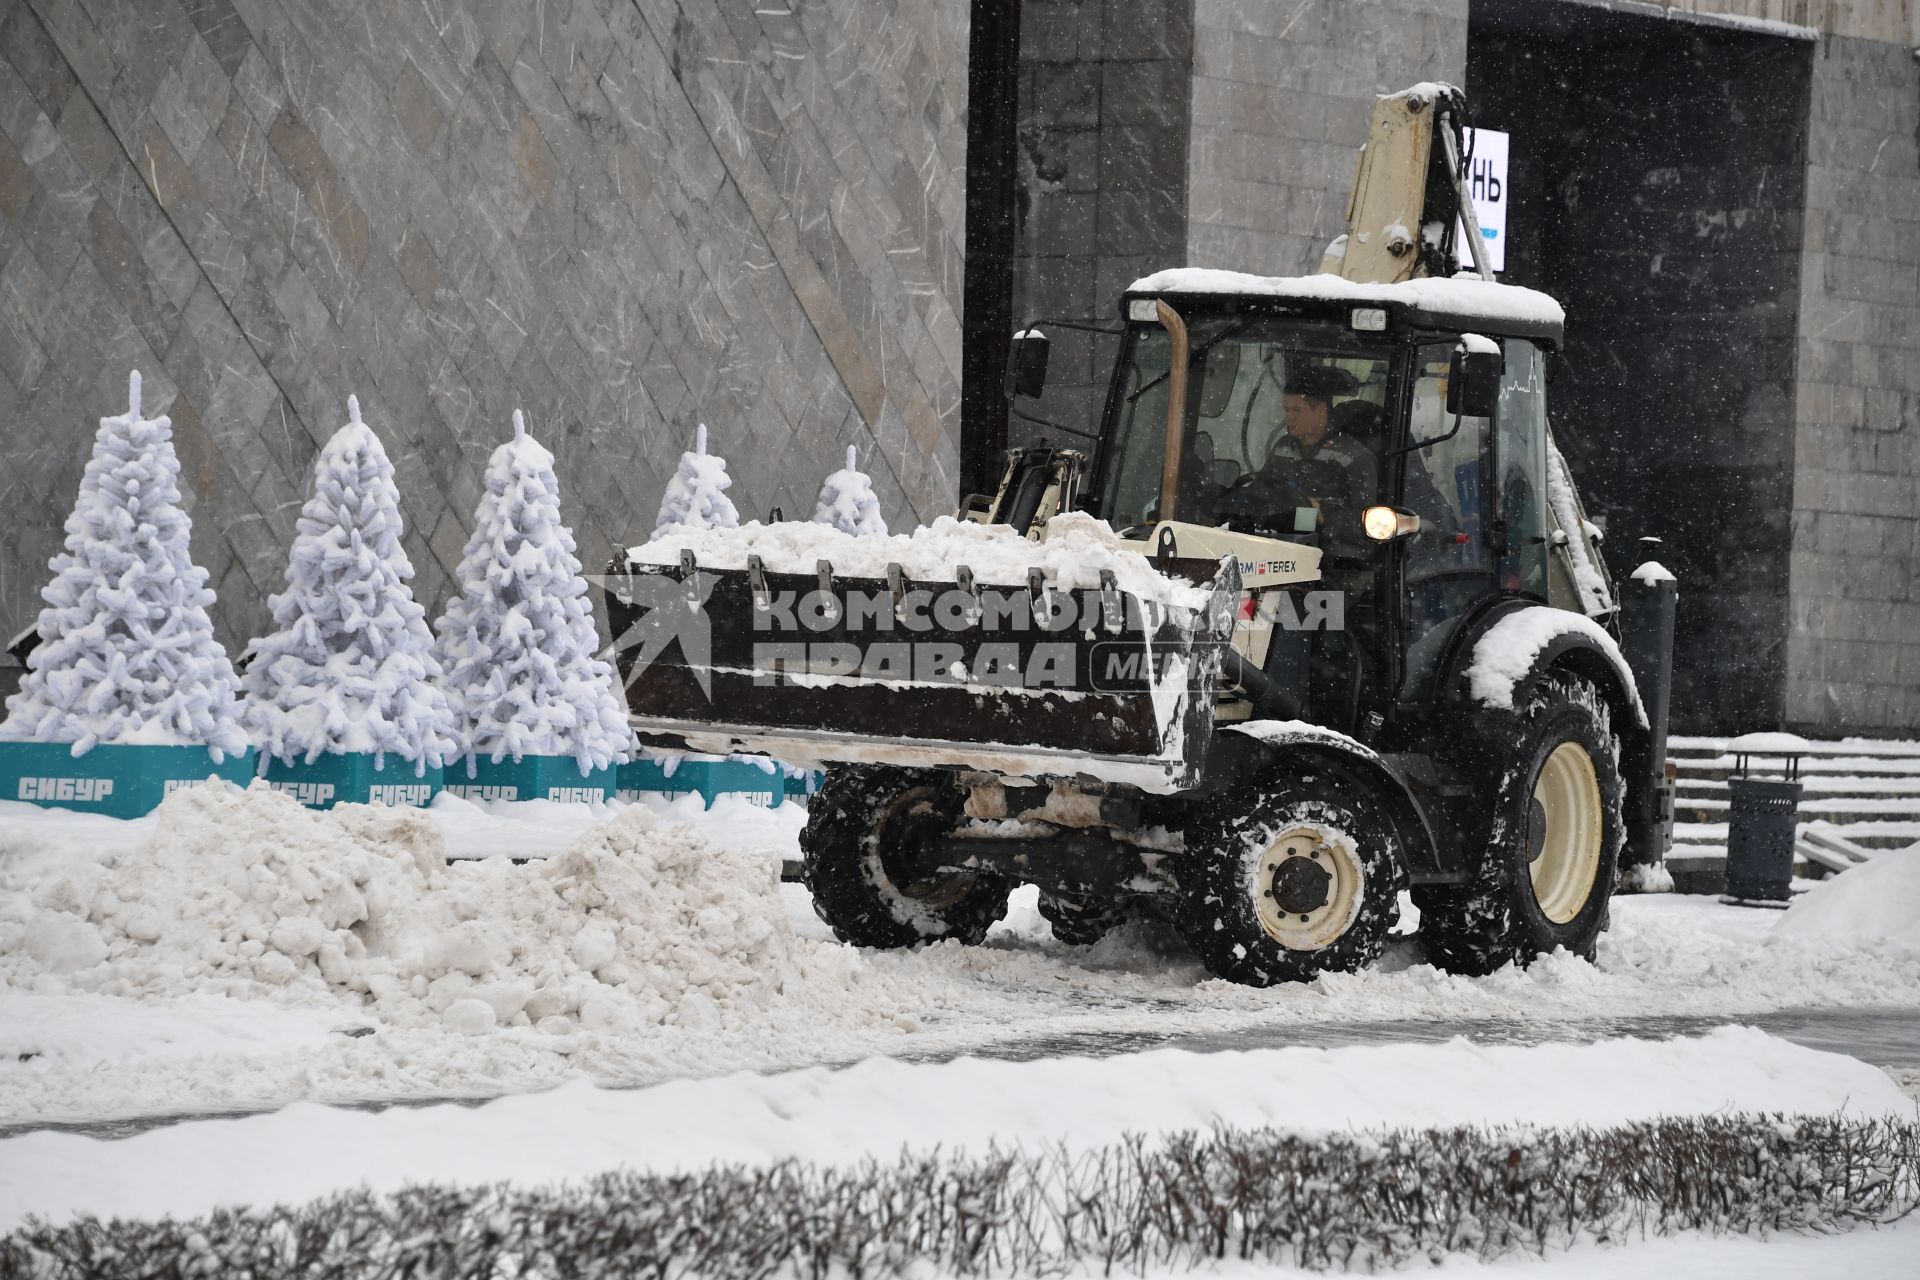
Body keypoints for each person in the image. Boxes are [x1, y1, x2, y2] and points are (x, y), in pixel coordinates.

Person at [1256, 366, 1378, 560]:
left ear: (1321, 411)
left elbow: (1373, 524)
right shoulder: (1283, 448)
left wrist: (1324, 513)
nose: (1289, 417)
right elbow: (1262, 488)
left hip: (1339, 563)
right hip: (1283, 550)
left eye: (1296, 410)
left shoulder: (1353, 456)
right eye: (1286, 410)